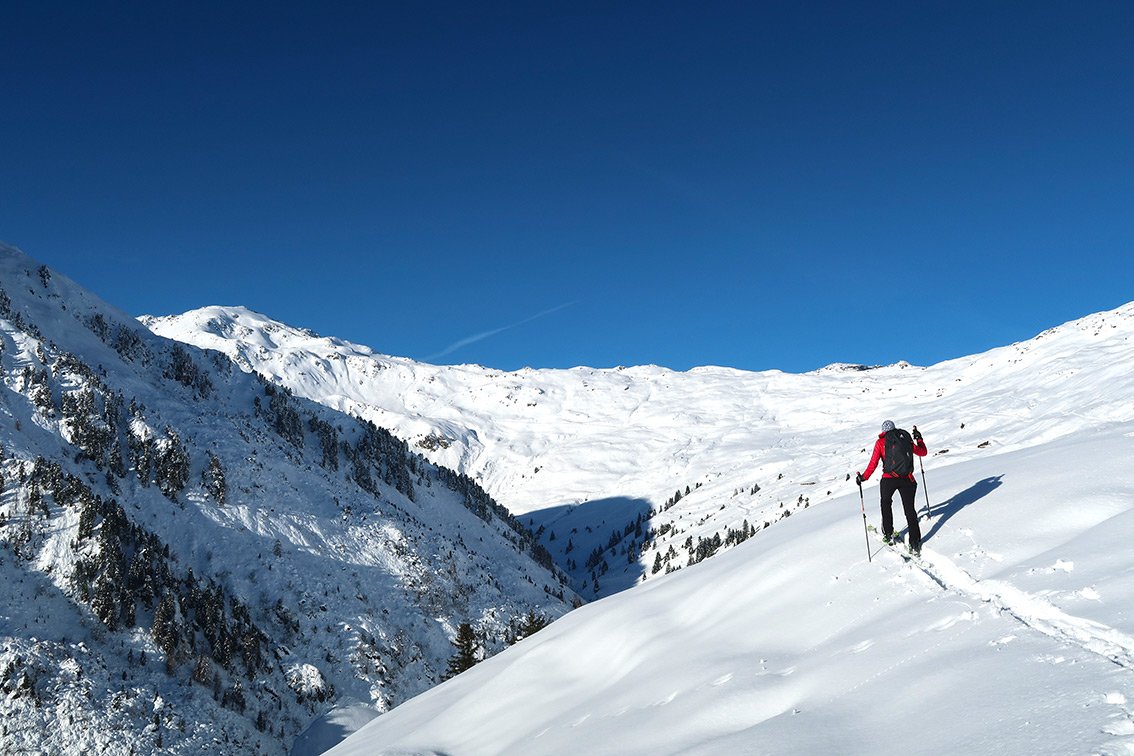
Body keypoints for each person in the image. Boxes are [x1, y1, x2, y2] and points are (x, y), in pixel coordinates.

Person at [856, 420, 928, 555]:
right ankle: (914, 542)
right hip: (907, 479)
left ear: (883, 431)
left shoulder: (880, 442)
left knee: (886, 503)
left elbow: (873, 463)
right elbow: (923, 452)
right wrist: (919, 439)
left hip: (889, 479)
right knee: (910, 510)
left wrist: (863, 478)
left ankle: (888, 533)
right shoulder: (904, 439)